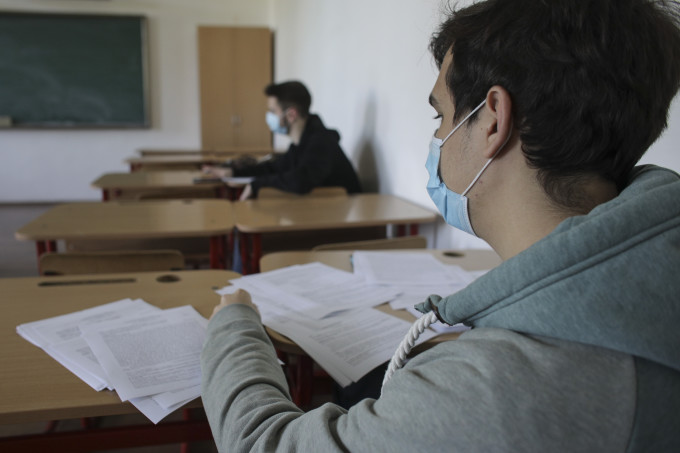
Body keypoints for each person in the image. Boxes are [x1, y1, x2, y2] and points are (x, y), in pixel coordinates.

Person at [201, 0, 680, 451]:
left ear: (492, 121)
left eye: (441, 115)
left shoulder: (492, 388)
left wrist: (232, 326)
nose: (436, 136)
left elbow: (263, 443)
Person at [203, 80, 362, 200]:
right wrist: (233, 172)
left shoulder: (321, 142)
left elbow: (300, 180)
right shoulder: (300, 144)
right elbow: (274, 168)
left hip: (345, 223)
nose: (269, 116)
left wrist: (257, 184)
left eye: (273, 111)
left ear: (291, 115)